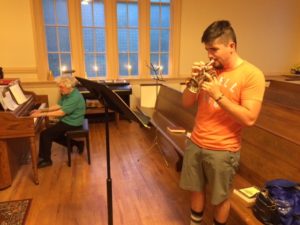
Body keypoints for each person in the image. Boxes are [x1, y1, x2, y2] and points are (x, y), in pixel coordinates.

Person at [179, 20, 265, 225]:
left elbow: (250, 118)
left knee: (220, 198)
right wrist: (194, 81)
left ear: (231, 46)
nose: (209, 55)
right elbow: (186, 103)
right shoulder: (211, 69)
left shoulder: (252, 75)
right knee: (196, 190)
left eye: (214, 49)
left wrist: (218, 96)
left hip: (223, 150)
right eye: (207, 49)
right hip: (196, 141)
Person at [31, 75, 86, 168]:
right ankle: (77, 144)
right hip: (68, 120)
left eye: (61, 87)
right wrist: (42, 110)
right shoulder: (67, 94)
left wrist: (40, 115)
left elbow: (61, 112)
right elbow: (58, 105)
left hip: (74, 122)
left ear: (69, 87)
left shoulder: (75, 97)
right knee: (51, 134)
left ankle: (46, 160)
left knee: (45, 134)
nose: (59, 89)